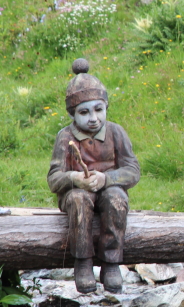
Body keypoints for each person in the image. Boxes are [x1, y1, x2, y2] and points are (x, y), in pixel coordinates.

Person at [48, 58, 140, 293]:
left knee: (116, 198)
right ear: (73, 113)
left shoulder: (116, 132)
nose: (93, 118)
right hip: (76, 194)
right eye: (84, 112)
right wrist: (74, 179)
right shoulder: (64, 137)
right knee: (79, 199)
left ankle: (111, 263)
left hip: (110, 190)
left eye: (99, 109)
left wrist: (107, 179)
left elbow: (132, 170)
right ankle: (83, 263)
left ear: (106, 106)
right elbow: (53, 178)